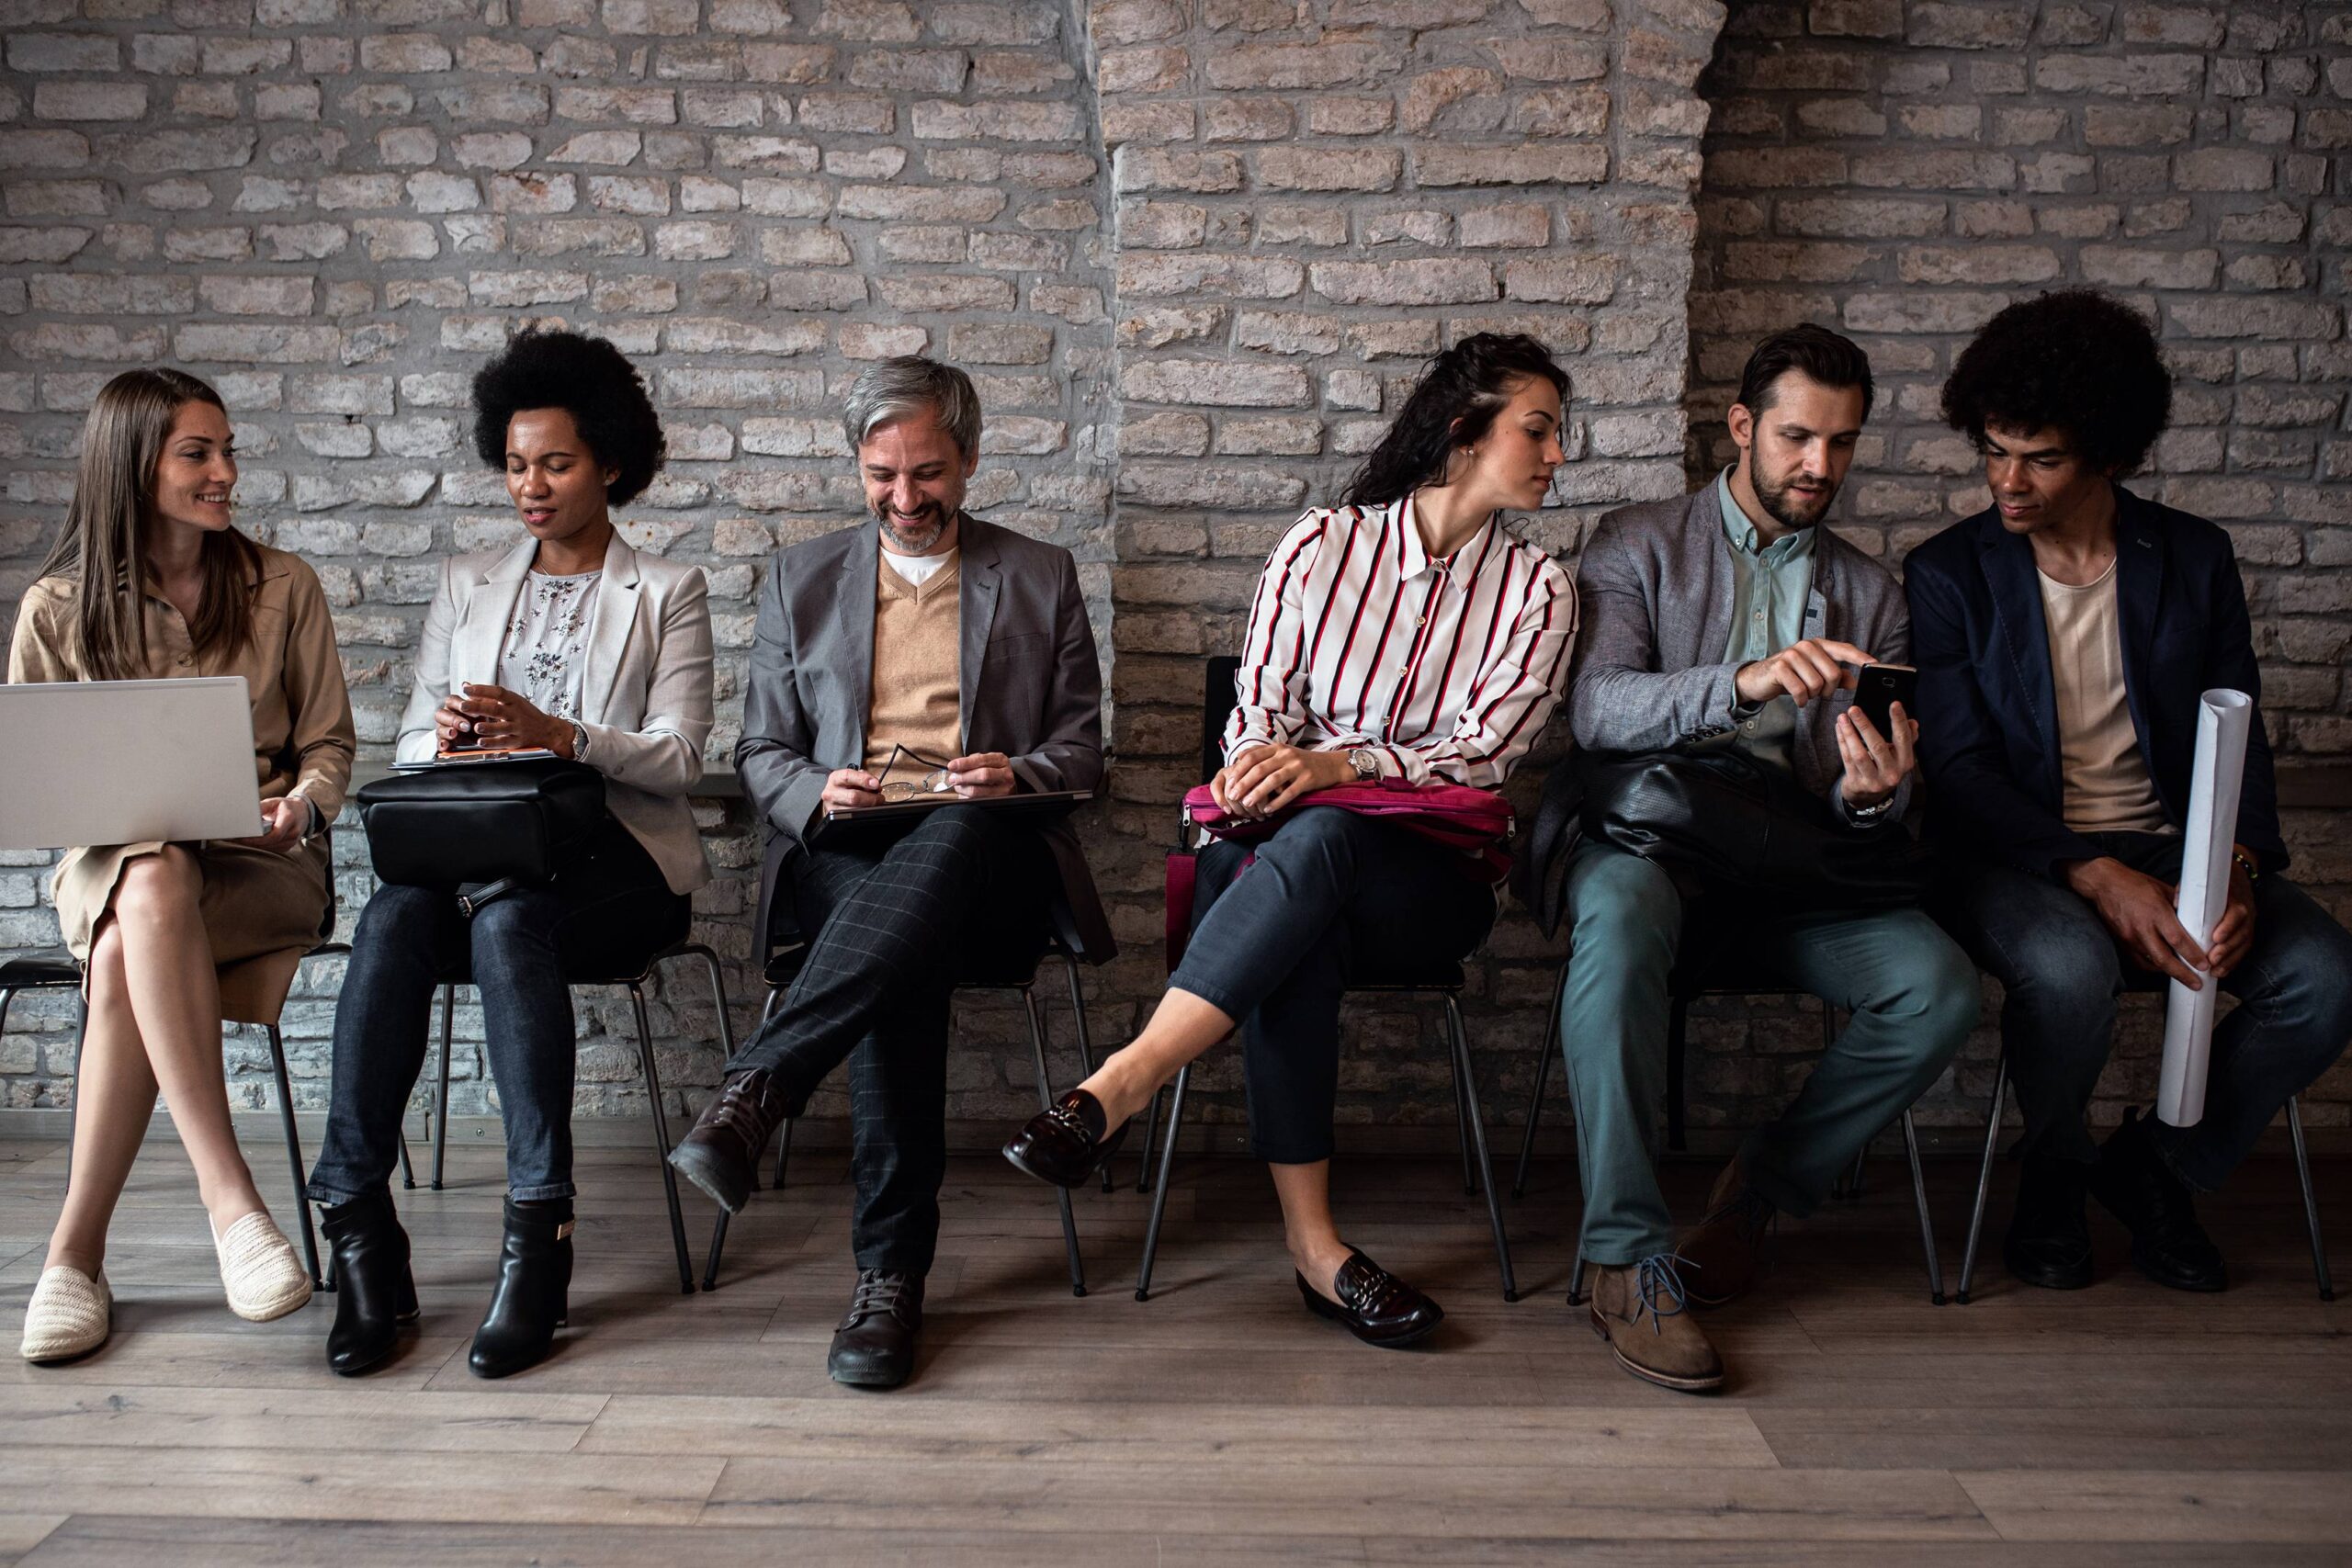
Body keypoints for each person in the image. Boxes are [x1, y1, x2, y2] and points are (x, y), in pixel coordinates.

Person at [1002, 333, 1577, 1349]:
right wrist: (1269, 764)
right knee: (1300, 885)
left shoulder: (1539, 591)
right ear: (1462, 432)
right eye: (1536, 429)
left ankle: (1123, 1082)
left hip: (1428, 886)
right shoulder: (1323, 546)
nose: (1555, 455)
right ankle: (1319, 1255)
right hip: (1282, 862)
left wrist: (1337, 766)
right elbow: (1257, 712)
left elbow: (1483, 757)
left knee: (1314, 854)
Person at [665, 355, 1107, 1391]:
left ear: (971, 460)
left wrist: (1016, 770)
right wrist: (819, 791)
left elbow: (1082, 754)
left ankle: (758, 1093)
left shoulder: (1039, 575)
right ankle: (890, 1277)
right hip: (845, 851)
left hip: (989, 857)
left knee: (946, 848)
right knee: (893, 934)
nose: (903, 500)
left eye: (927, 475)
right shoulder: (800, 576)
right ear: (857, 468)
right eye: (881, 476)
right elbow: (761, 750)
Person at [1556, 324, 1978, 1393]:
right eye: (1796, 438)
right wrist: (1740, 682)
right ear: (1742, 428)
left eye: (1839, 445)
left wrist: (1871, 792)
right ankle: (1623, 1257)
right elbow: (1598, 710)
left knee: (1935, 987)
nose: (1818, 468)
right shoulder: (1635, 543)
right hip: (1652, 845)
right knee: (1611, 914)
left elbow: (1854, 792)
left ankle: (1760, 1194)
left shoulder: (1869, 591)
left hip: (1791, 864)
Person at [1908, 288, 2352, 1294]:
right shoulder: (1948, 573)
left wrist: (2233, 866)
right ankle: (2054, 1181)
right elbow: (1962, 772)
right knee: (2068, 973)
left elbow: (2240, 731)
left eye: (2040, 457)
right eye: (1991, 449)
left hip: (2178, 843)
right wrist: (2095, 874)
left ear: (2108, 454)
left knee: (2324, 979)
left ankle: (2155, 1169)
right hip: (2022, 853)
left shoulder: (2193, 559)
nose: (2004, 481)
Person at [307, 329, 714, 1379]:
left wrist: (558, 732)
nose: (530, 485)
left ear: (611, 462)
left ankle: (538, 1233)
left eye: (557, 463)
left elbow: (677, 759)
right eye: (516, 463)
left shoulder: (668, 589)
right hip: (485, 856)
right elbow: (401, 742)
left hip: (618, 868)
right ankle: (357, 1218)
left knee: (512, 912)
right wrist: (441, 739)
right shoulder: (468, 580)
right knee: (397, 913)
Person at [11, 368, 356, 1363]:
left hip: (262, 870)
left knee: (133, 932)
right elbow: (41, 788)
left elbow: (330, 746)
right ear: (133, 467)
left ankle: (74, 1255)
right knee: (149, 872)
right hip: (119, 873)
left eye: (227, 451)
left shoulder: (284, 586)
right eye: (197, 454)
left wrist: (300, 808)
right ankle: (232, 1203)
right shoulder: (57, 606)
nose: (224, 474)